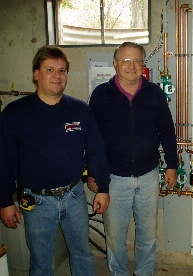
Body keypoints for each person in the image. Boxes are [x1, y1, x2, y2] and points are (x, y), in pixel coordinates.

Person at [0, 45, 110, 276]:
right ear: (36, 74)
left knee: (82, 254)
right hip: (36, 201)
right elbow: (4, 160)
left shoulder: (80, 110)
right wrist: (4, 201)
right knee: (41, 263)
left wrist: (103, 187)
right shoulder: (14, 114)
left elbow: (96, 150)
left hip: (74, 196)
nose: (57, 76)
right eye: (50, 69)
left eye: (62, 70)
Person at [89, 41, 178, 276]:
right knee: (115, 237)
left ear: (143, 64)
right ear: (116, 64)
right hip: (113, 180)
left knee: (148, 234)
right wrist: (91, 173)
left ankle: (144, 273)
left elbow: (167, 131)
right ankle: (118, 273)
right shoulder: (101, 95)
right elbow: (91, 139)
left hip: (148, 176)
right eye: (126, 61)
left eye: (137, 60)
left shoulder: (154, 93)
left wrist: (172, 165)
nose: (132, 66)